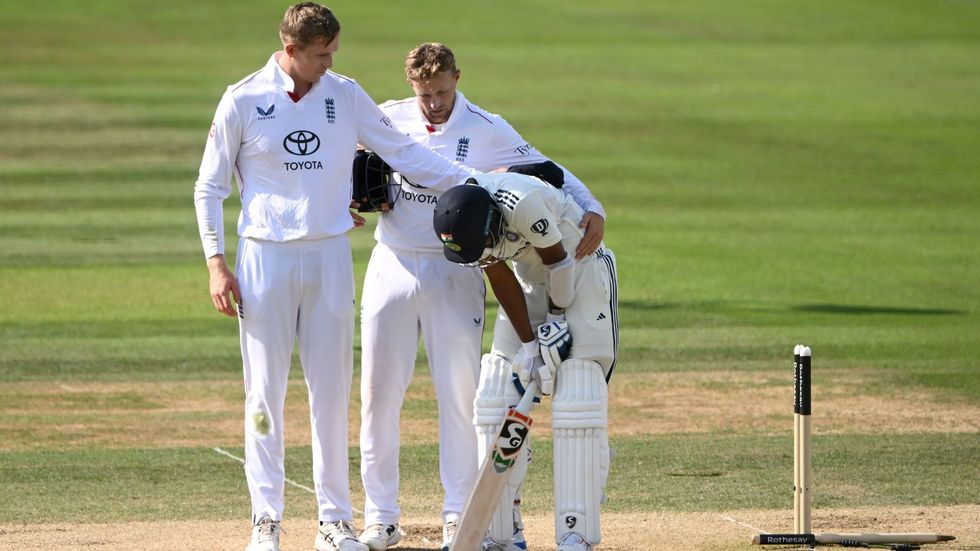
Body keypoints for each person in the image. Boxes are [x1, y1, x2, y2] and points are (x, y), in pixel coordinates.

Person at [192, 6, 479, 551]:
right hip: (265, 260)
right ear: (291, 49)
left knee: (331, 396)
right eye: (321, 55)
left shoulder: (344, 94)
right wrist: (216, 263)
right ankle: (266, 522)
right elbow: (209, 188)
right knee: (263, 397)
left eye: (333, 52)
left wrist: (475, 185)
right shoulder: (243, 99)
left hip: (329, 257)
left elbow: (405, 153)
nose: (330, 62)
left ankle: (334, 522)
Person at [356, 43, 606, 551]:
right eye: (425, 94)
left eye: (442, 92)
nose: (434, 104)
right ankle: (380, 517)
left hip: (458, 268)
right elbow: (344, 157)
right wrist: (345, 195)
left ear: (457, 78)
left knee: (461, 396)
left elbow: (548, 168)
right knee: (378, 395)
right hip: (392, 262)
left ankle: (457, 515)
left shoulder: (487, 127)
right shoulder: (388, 116)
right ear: (411, 87)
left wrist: (592, 206)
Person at [432, 173, 618, 551]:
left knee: (577, 391)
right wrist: (532, 346)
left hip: (580, 272)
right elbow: (501, 278)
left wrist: (554, 322)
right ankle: (501, 530)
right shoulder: (463, 221)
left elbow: (559, 264)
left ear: (491, 222)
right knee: (495, 393)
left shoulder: (522, 203)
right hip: (531, 283)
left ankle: (576, 530)